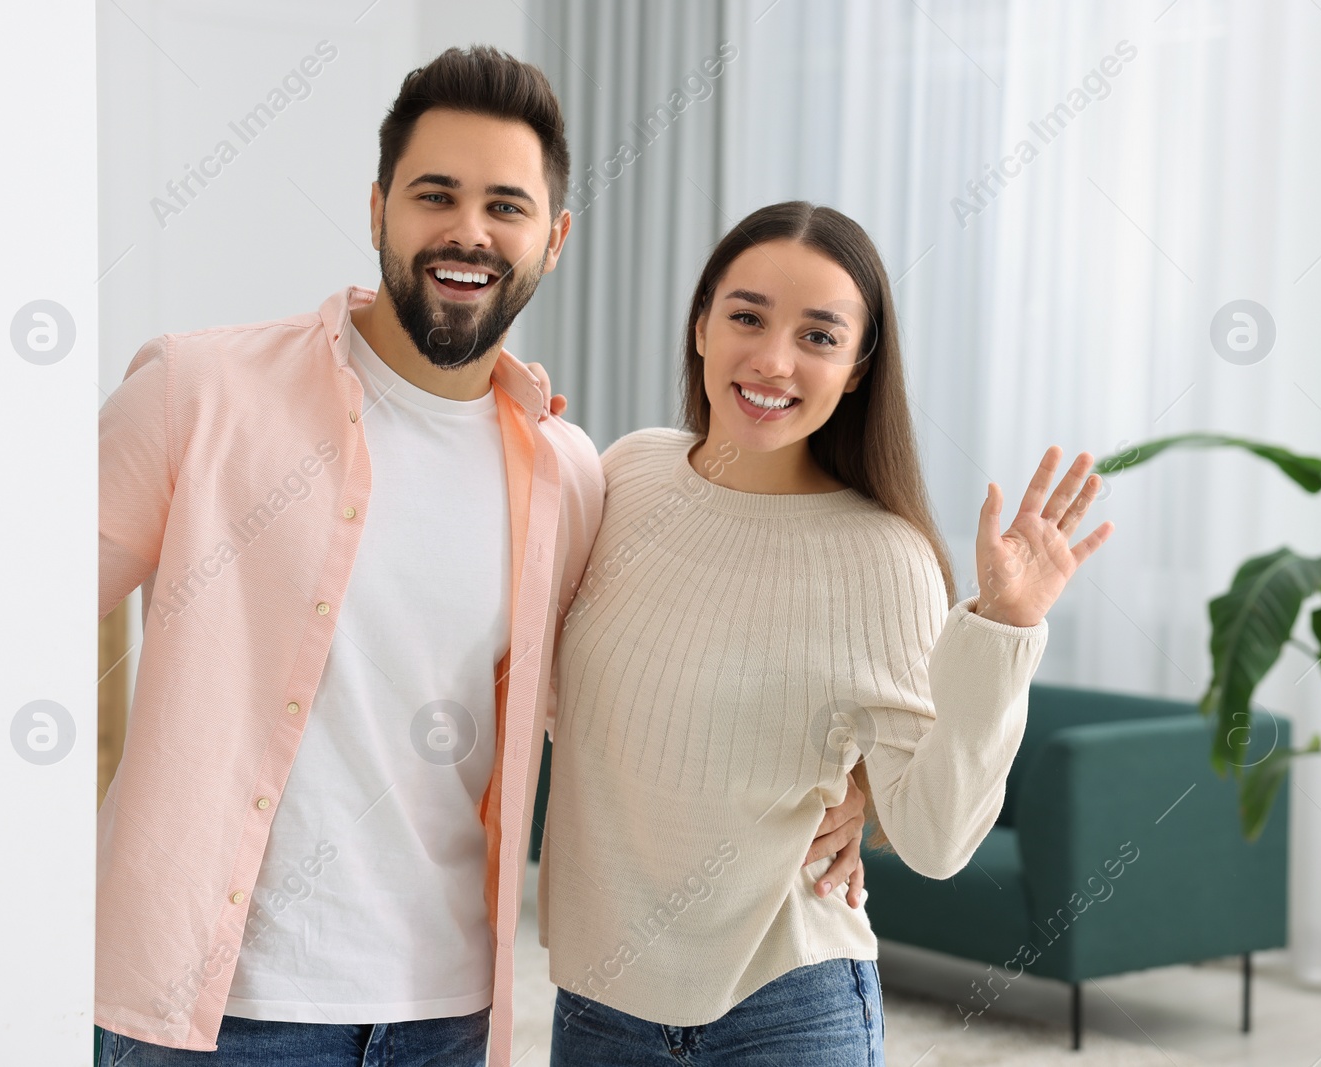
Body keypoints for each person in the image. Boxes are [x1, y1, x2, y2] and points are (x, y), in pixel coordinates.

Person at [94, 47, 864, 1067]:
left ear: (555, 238)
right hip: (217, 1015)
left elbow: (639, 691)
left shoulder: (570, 473)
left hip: (449, 1016)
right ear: (377, 210)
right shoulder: (198, 394)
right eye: (434, 195)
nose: (469, 230)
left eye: (506, 204)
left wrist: (861, 786)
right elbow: (11, 622)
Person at [534, 201, 1114, 1065]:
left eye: (818, 335)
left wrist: (1006, 626)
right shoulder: (627, 473)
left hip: (787, 1010)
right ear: (700, 326)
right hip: (598, 1000)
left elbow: (940, 838)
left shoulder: (885, 556)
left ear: (856, 368)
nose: (773, 360)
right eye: (747, 317)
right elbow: (559, 693)